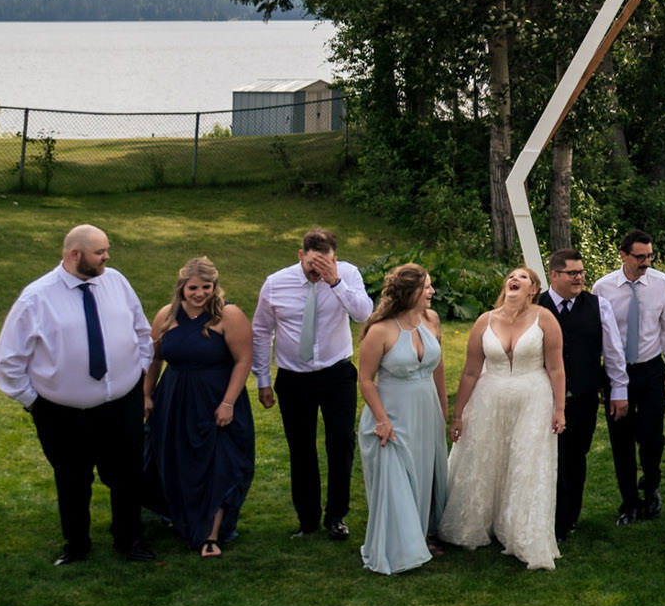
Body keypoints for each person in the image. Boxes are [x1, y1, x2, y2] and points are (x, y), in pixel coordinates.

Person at [0, 223, 156, 564]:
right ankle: (77, 545)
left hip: (122, 403)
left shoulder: (117, 282)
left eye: (107, 249)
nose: (107, 257)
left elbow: (141, 330)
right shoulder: (36, 297)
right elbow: (8, 359)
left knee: (126, 475)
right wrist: (32, 401)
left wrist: (137, 370)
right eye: (100, 252)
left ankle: (129, 540)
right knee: (72, 479)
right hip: (62, 413)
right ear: (74, 255)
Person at [440, 266, 566, 569]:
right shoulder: (485, 320)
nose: (514, 279)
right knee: (484, 459)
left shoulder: (544, 318)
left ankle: (521, 533)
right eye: (511, 276)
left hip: (533, 399)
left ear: (533, 289)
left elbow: (556, 368)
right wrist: (457, 416)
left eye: (522, 277)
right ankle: (477, 523)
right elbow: (470, 371)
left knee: (526, 463)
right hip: (489, 398)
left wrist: (559, 408)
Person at [251, 228, 372, 540]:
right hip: (294, 379)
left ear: (335, 258)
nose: (317, 273)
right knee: (301, 449)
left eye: (326, 265)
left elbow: (363, 314)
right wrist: (263, 379)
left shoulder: (346, 275)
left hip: (337, 374)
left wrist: (336, 283)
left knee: (341, 442)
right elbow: (261, 331)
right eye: (312, 267)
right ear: (300, 255)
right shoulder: (275, 284)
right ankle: (307, 519)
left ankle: (336, 516)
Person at [142, 257, 256, 557]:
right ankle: (180, 514)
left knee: (218, 464)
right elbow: (153, 359)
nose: (199, 293)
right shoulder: (166, 316)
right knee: (177, 461)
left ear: (214, 286)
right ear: (182, 287)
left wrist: (228, 403)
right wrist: (146, 394)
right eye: (193, 287)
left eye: (206, 287)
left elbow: (244, 360)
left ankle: (210, 534)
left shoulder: (228, 315)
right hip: (174, 400)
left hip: (216, 399)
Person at [355, 264, 450, 574]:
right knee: (397, 476)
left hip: (426, 410)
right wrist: (381, 420)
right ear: (410, 293)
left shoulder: (432, 320)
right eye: (427, 288)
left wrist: (444, 410)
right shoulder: (380, 330)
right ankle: (401, 546)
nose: (432, 292)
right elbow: (366, 380)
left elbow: (438, 368)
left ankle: (422, 533)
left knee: (424, 474)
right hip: (391, 414)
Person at [590, 230, 665, 525]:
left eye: (649, 256)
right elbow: (596, 336)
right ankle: (629, 502)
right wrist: (601, 381)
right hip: (617, 372)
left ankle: (651, 485)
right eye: (640, 257)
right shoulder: (602, 288)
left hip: (651, 368)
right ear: (623, 255)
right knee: (621, 439)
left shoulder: (661, 283)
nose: (646, 262)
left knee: (653, 437)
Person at [537, 248, 626, 541]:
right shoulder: (536, 305)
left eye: (581, 273)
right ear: (554, 275)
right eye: (572, 273)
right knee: (550, 457)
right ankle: (550, 520)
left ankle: (570, 516)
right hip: (542, 397)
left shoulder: (599, 306)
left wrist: (618, 390)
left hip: (585, 396)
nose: (579, 278)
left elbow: (613, 352)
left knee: (576, 457)